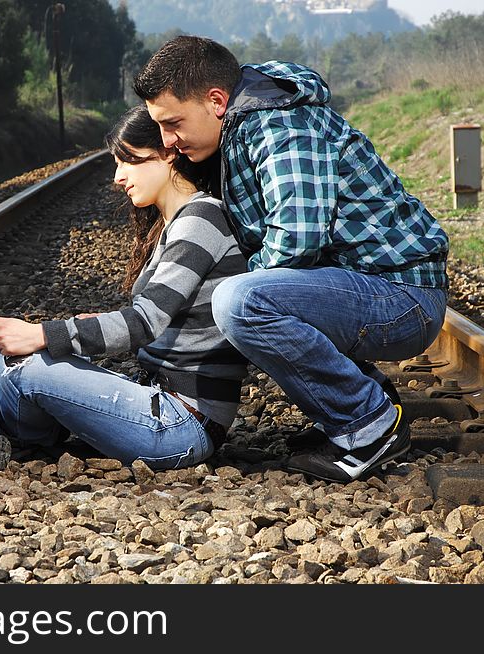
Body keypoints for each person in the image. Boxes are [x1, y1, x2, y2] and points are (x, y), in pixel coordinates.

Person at [134, 36, 449, 483]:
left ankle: (369, 424)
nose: (168, 141)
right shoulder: (244, 126)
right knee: (247, 298)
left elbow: (296, 240)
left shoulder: (279, 124)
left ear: (217, 101)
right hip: (367, 287)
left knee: (241, 303)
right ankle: (365, 399)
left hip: (402, 297)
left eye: (173, 123)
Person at [0, 104, 248, 472]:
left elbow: (143, 323)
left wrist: (45, 334)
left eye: (127, 161)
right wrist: (55, 333)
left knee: (23, 366)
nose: (118, 177)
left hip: (180, 425)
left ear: (168, 154)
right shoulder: (174, 224)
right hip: (158, 405)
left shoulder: (201, 219)